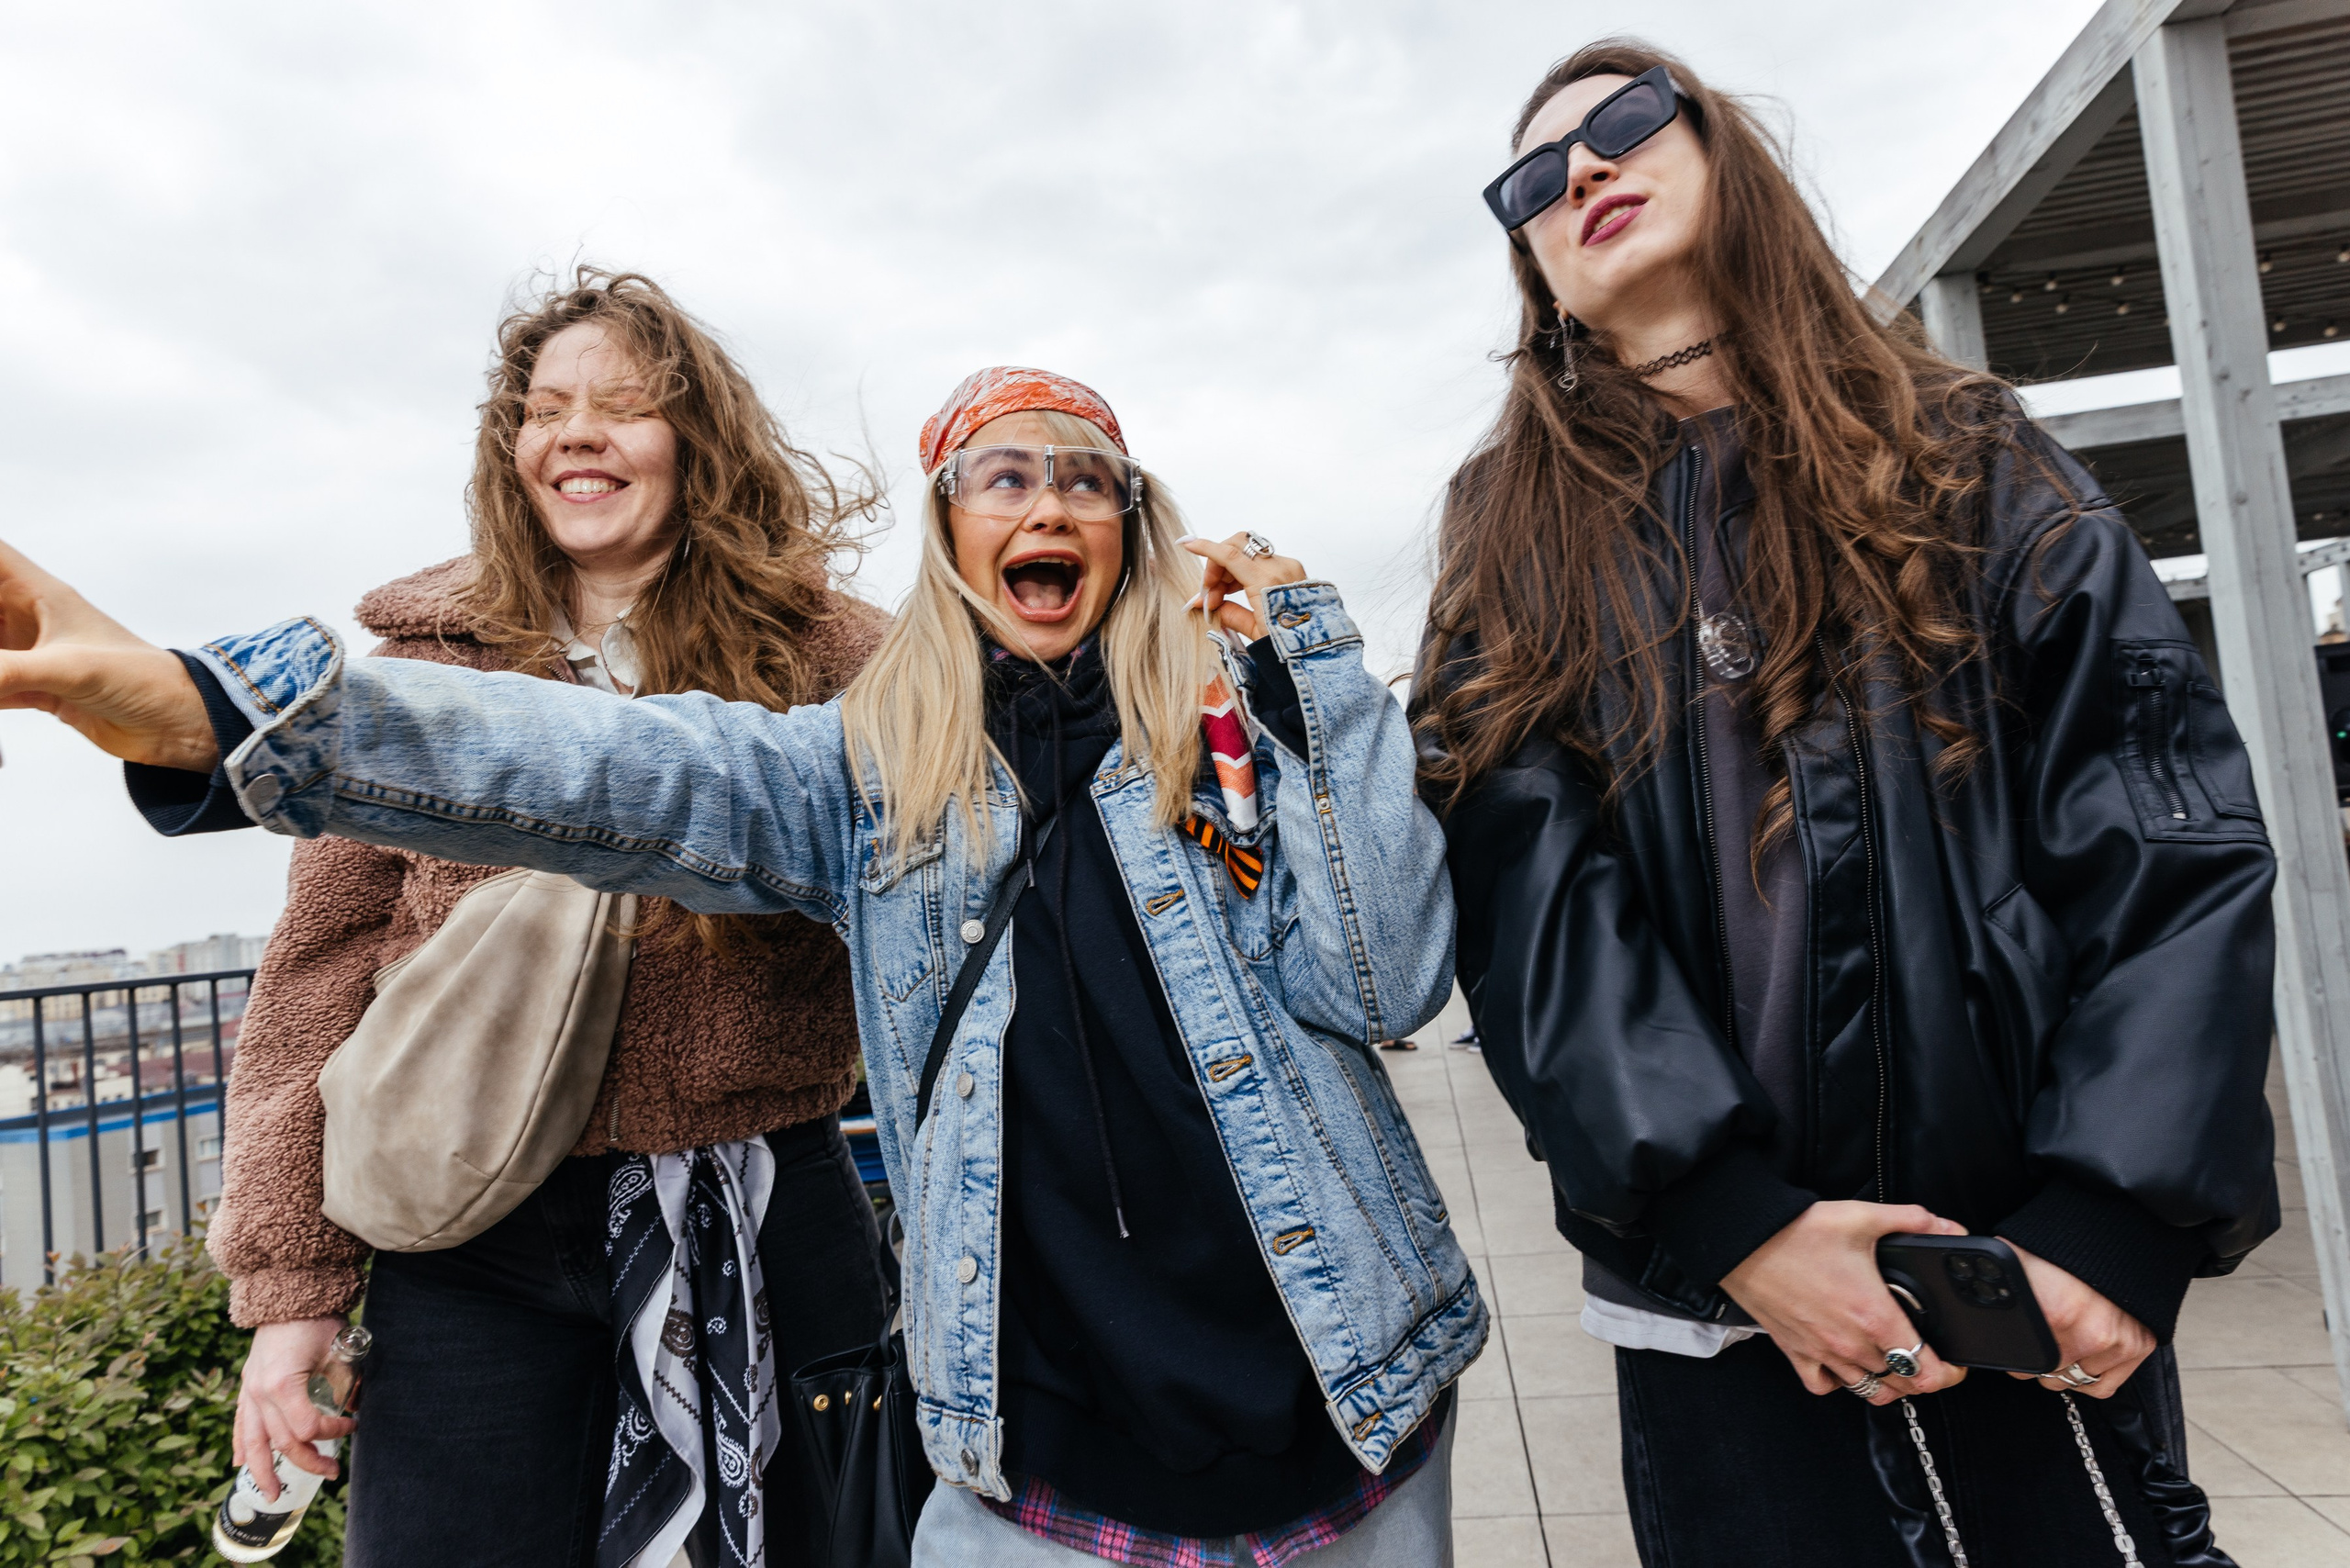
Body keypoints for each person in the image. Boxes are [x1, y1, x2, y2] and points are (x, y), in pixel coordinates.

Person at [0, 365, 1485, 1566]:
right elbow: (613, 772)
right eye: (1004, 476)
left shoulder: (1236, 742)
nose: (1048, 503)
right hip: (1026, 1457)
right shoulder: (870, 773)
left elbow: (1388, 977)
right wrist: (223, 716)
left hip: (1342, 1401)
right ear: (952, 536)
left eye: (1088, 477)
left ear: (1136, 528)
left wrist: (1312, 657)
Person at [1413, 39, 2276, 1567]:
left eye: (1621, 127)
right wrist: (1731, 1220)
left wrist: (2113, 1225)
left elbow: (2169, 838)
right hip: (1721, 1320)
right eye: (1531, 181)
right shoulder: (1513, 536)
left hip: (2017, 1271)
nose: (1583, 174)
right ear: (1535, 272)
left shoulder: (1976, 455)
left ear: (1723, 154)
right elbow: (1529, 905)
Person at [194, 270, 893, 1567]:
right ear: (510, 448)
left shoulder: (835, 659)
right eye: (545, 407)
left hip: (765, 1204)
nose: (576, 432)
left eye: (624, 406)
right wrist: (293, 1296)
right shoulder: (421, 670)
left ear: (699, 443)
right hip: (470, 1240)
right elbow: (315, 982)